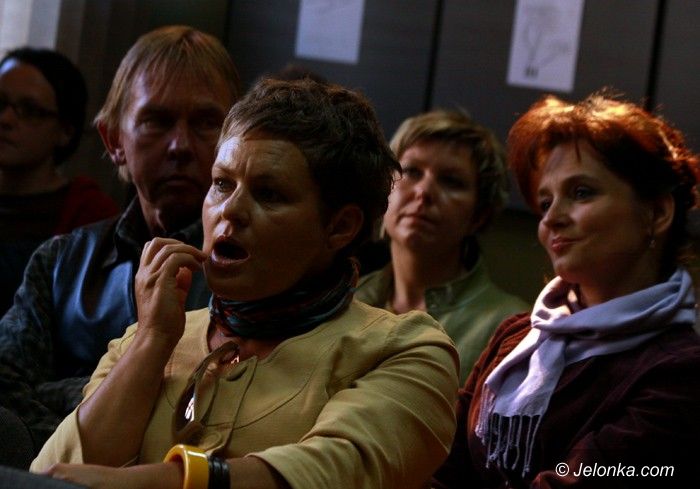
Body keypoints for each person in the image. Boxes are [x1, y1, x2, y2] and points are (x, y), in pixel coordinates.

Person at [31, 78, 459, 489]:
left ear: (340, 226)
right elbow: (48, 477)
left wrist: (141, 483)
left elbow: (333, 472)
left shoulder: (404, 350)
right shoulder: (148, 337)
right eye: (221, 184)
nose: (229, 211)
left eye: (269, 194)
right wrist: (152, 341)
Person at [433, 92, 700, 488]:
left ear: (657, 212)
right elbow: (437, 465)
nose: (552, 219)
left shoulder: (681, 371)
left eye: (581, 192)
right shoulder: (514, 336)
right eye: (545, 202)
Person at [0, 25, 240, 457]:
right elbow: (4, 388)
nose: (180, 146)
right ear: (114, 140)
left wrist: (64, 392)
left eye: (207, 123)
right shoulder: (61, 262)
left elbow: (234, 408)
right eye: (157, 121)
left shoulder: (255, 271)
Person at [355, 109, 529, 382]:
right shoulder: (345, 300)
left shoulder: (510, 328)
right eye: (411, 171)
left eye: (451, 181)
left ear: (479, 215)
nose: (423, 191)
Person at [0, 47, 119, 316]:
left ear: (65, 131)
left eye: (29, 110)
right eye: (0, 103)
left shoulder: (89, 215)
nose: (5, 119)